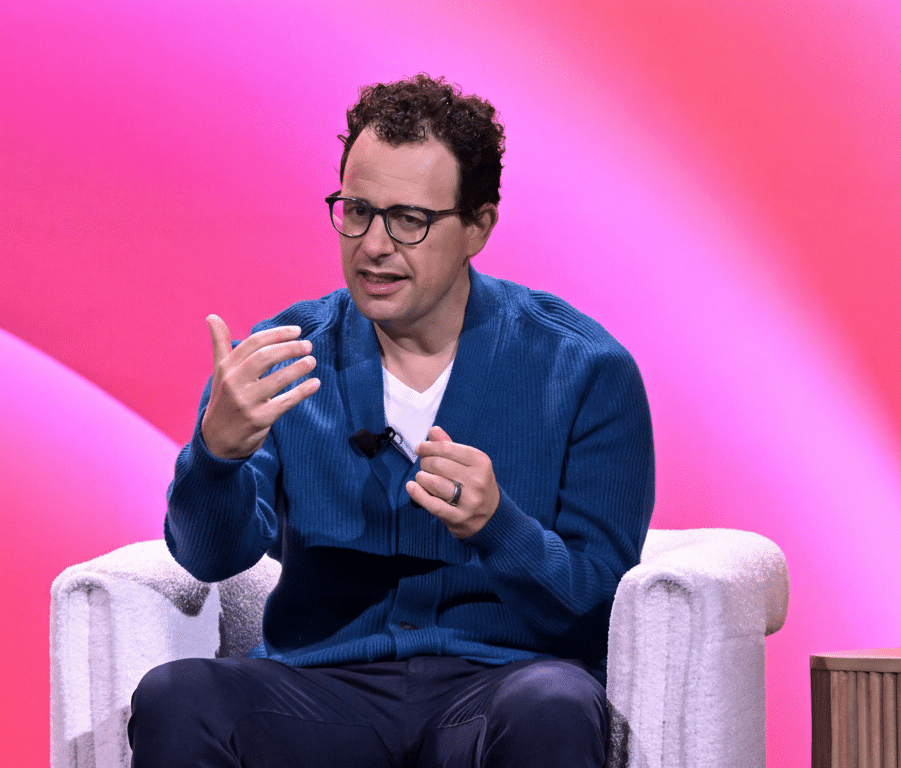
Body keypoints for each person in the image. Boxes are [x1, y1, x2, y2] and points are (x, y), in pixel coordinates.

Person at [129, 74, 654, 768]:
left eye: (409, 219)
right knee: (177, 696)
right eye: (357, 210)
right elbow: (210, 557)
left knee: (552, 705)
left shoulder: (586, 370)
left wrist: (500, 528)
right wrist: (215, 456)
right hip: (322, 691)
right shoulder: (283, 356)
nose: (374, 245)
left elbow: (597, 608)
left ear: (478, 226)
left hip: (499, 687)